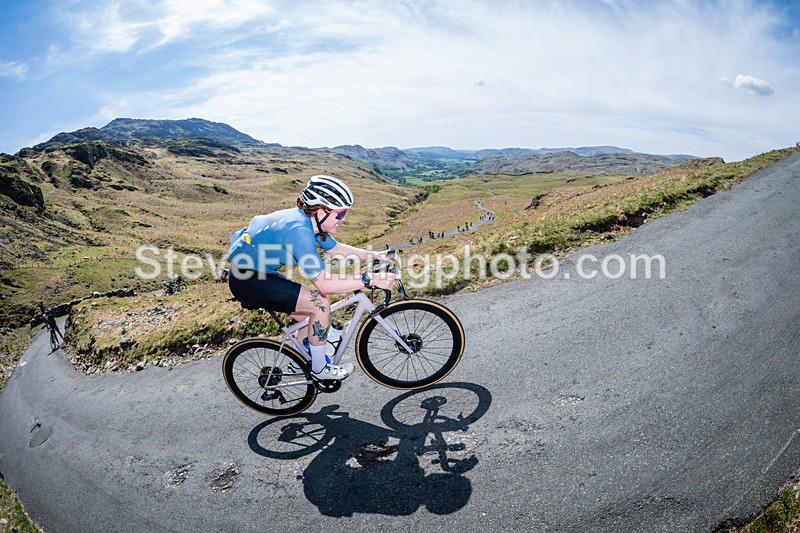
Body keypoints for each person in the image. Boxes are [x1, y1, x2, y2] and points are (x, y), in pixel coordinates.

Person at [227, 175, 396, 381]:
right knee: (320, 302)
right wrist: (369, 280)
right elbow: (324, 284)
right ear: (320, 210)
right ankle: (320, 369)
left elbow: (336, 249)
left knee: (309, 318)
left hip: (258, 273)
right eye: (340, 214)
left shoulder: (310, 222)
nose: (343, 219)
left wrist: (374, 255)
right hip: (248, 282)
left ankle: (297, 363)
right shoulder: (299, 230)